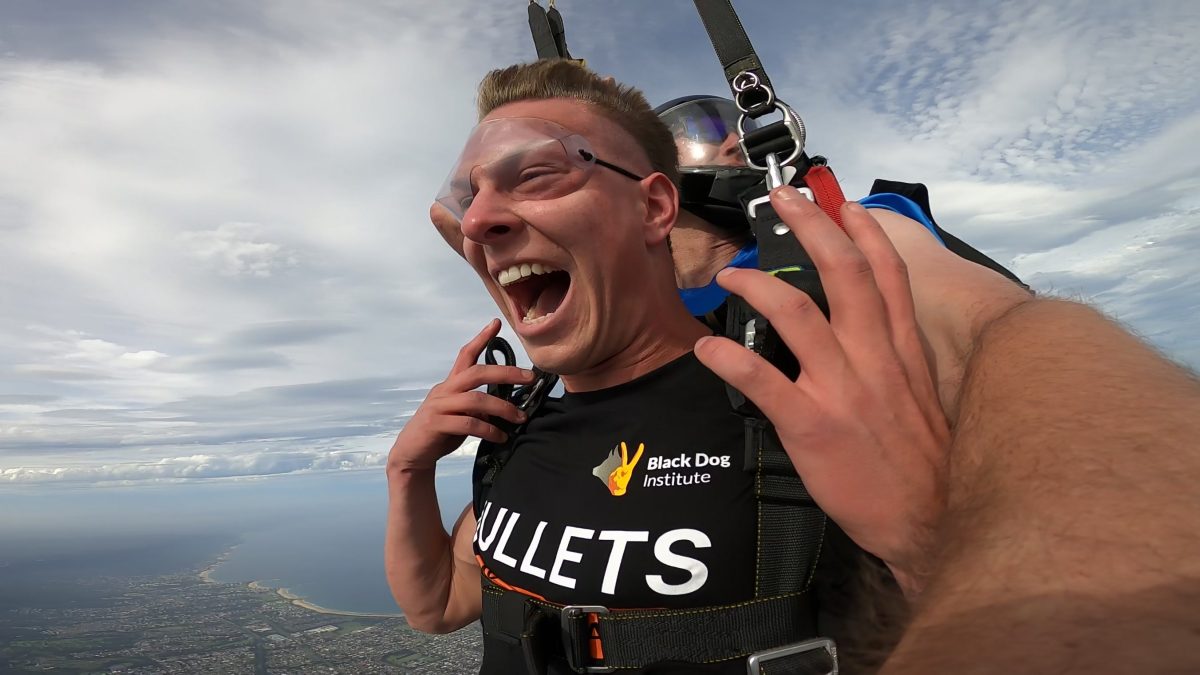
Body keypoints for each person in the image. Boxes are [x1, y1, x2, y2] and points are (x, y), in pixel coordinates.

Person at [387, 59, 947, 674]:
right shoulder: (518, 433)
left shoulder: (793, 408)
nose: (476, 222)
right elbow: (437, 603)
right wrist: (407, 470)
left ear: (655, 207)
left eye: (539, 175)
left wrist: (922, 543)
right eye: (470, 197)